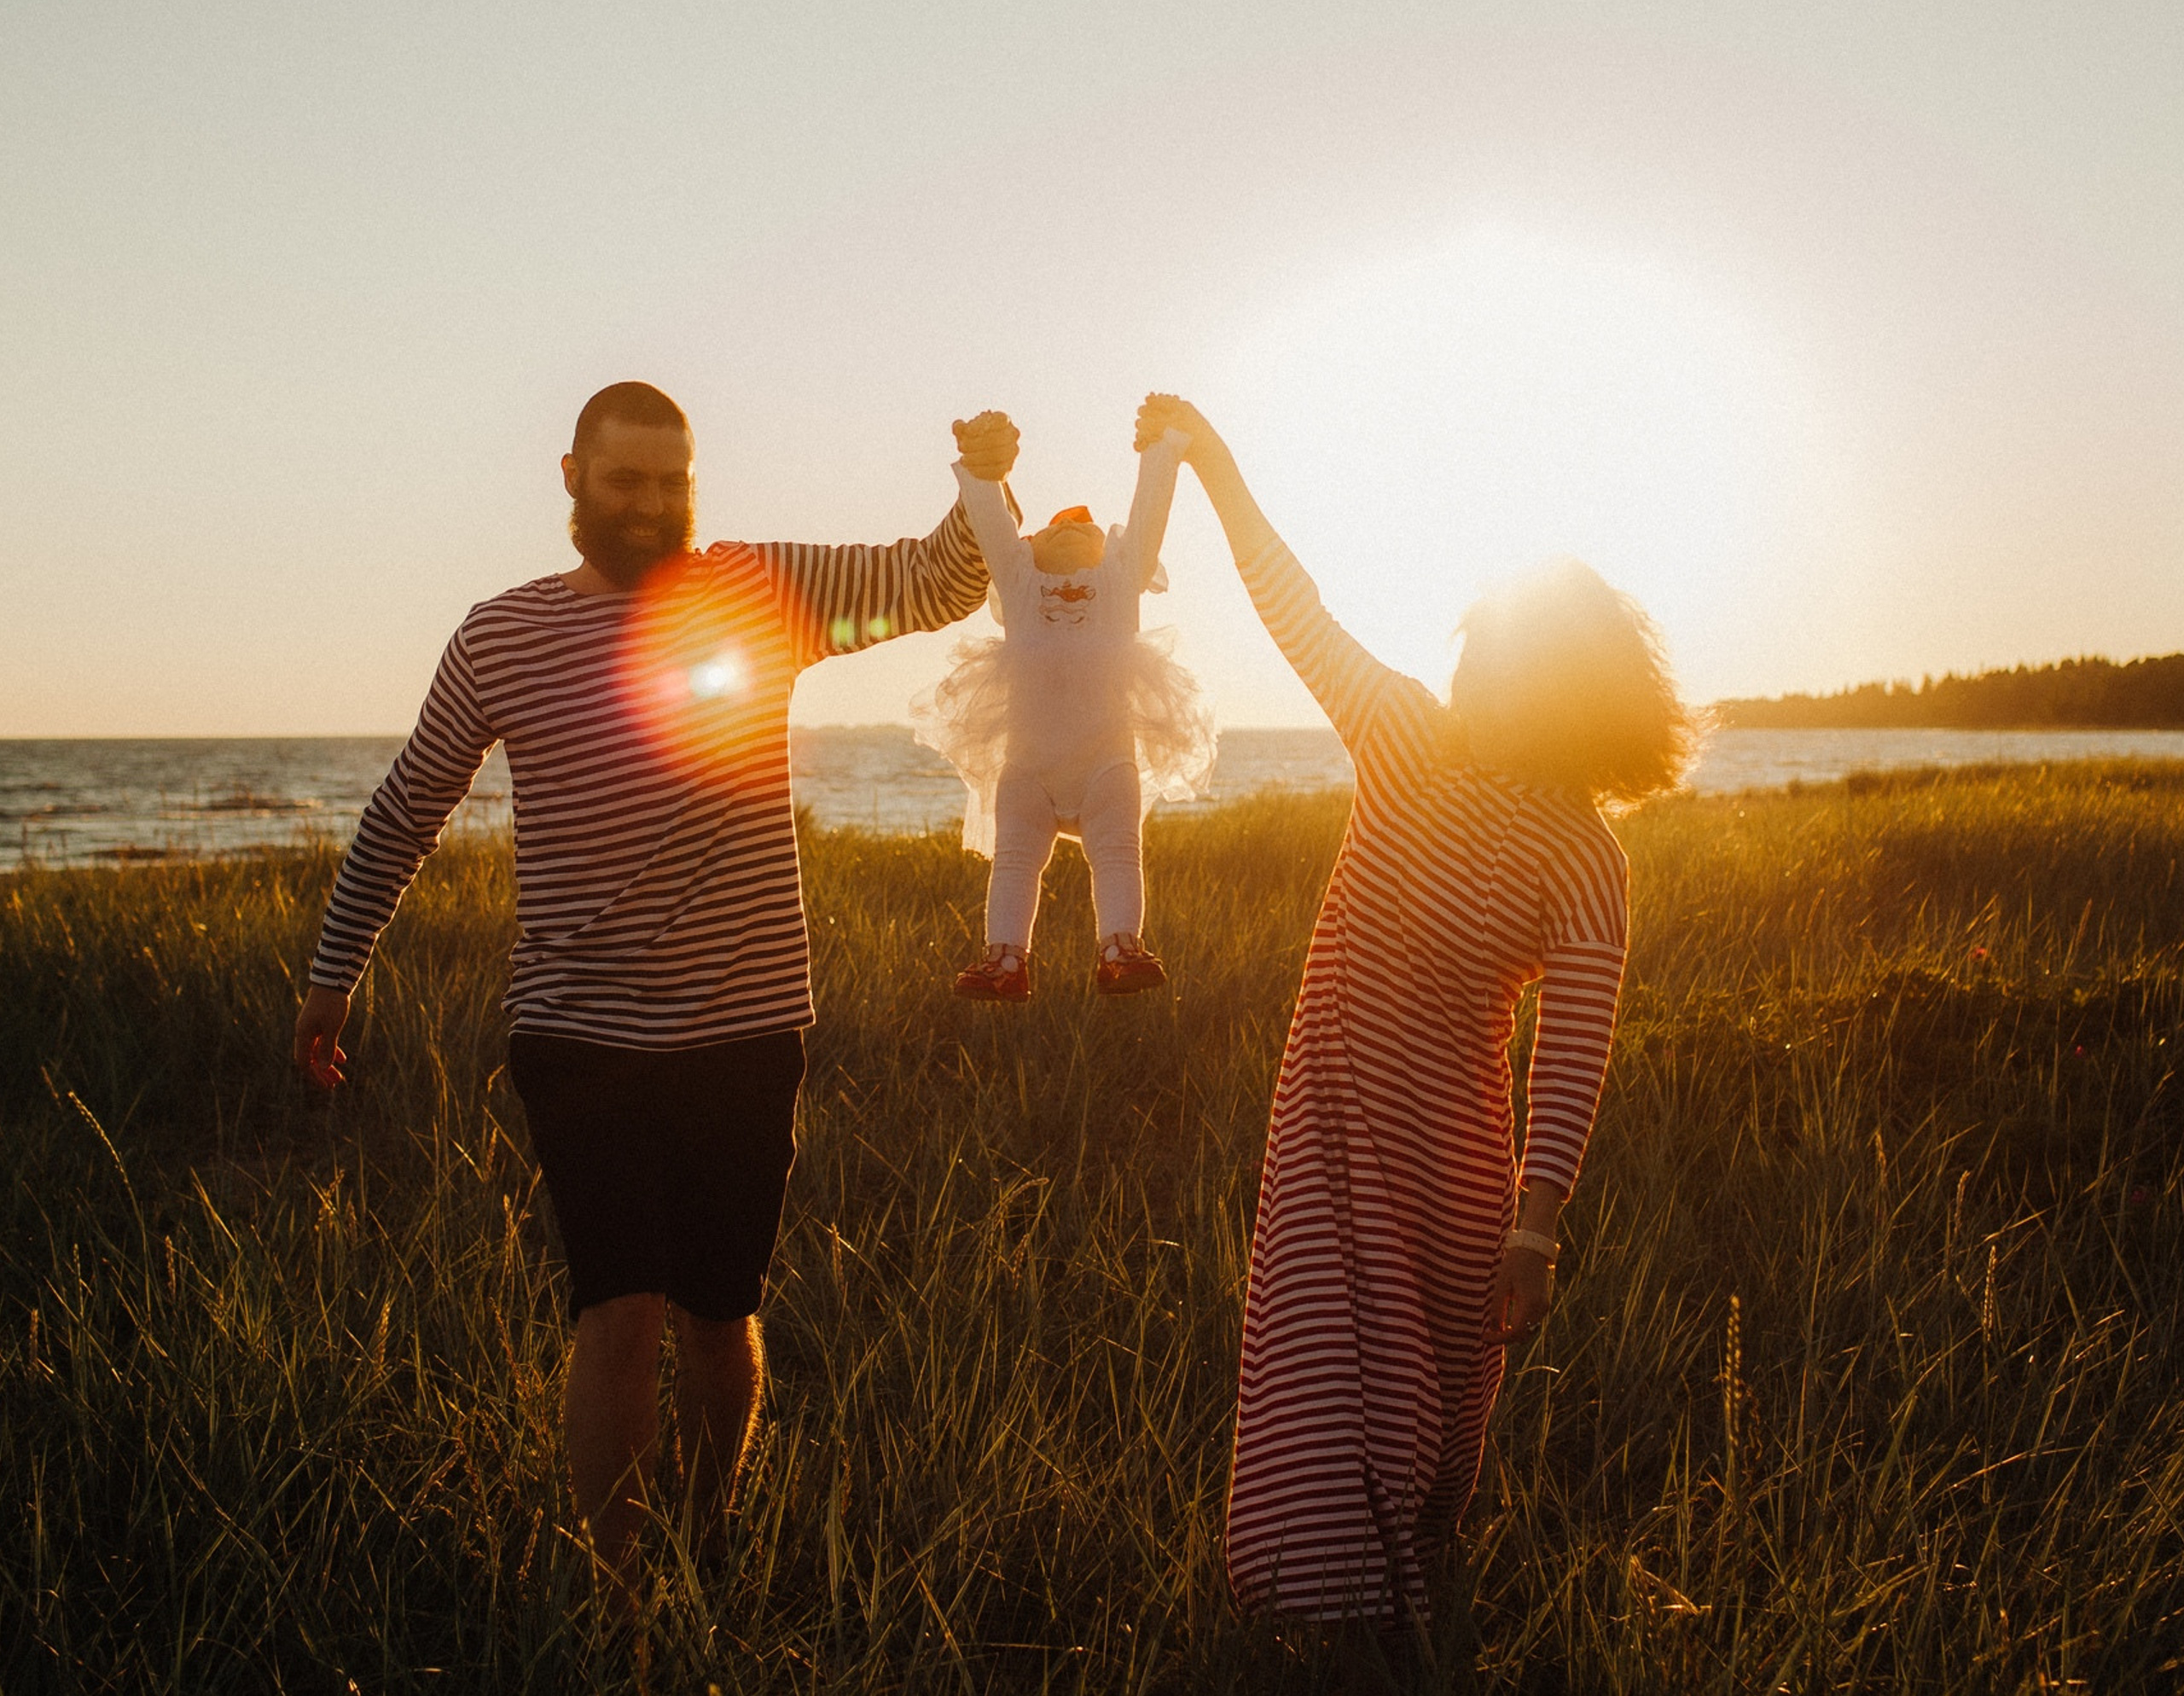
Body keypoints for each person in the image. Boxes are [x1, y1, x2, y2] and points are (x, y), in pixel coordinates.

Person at [291, 382, 1017, 1599]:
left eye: (672, 481)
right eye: (626, 479)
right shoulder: (501, 636)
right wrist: (333, 974)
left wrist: (983, 479)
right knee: (617, 1309)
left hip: (745, 1027)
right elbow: (409, 805)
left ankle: (705, 1536)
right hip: (579, 1033)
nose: (651, 503)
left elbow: (937, 581)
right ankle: (617, 1593)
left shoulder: (763, 591)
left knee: (718, 1315)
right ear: (572, 476)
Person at [1135, 392, 1700, 1624]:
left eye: (1511, 666)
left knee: (1431, 1422)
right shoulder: (1399, 736)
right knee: (1315, 1388)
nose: (1480, 679)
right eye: (1478, 654)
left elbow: (1573, 1054)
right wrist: (1216, 465)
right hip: (1327, 1141)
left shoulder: (1583, 854)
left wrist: (1534, 1230)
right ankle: (1306, 1621)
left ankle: (1407, 1623)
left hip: (1453, 1173)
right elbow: (1292, 604)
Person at [913, 419, 1216, 1002]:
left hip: (1107, 764)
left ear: (1108, 548)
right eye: (1057, 529)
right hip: (1029, 769)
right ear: (1030, 549)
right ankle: (1006, 961)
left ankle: (1120, 949)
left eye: (1085, 528)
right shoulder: (1019, 580)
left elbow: (1148, 516)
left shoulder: (1119, 578)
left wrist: (1162, 448)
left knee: (1119, 852)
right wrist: (979, 468)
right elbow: (992, 522)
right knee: (1014, 859)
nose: (1073, 529)